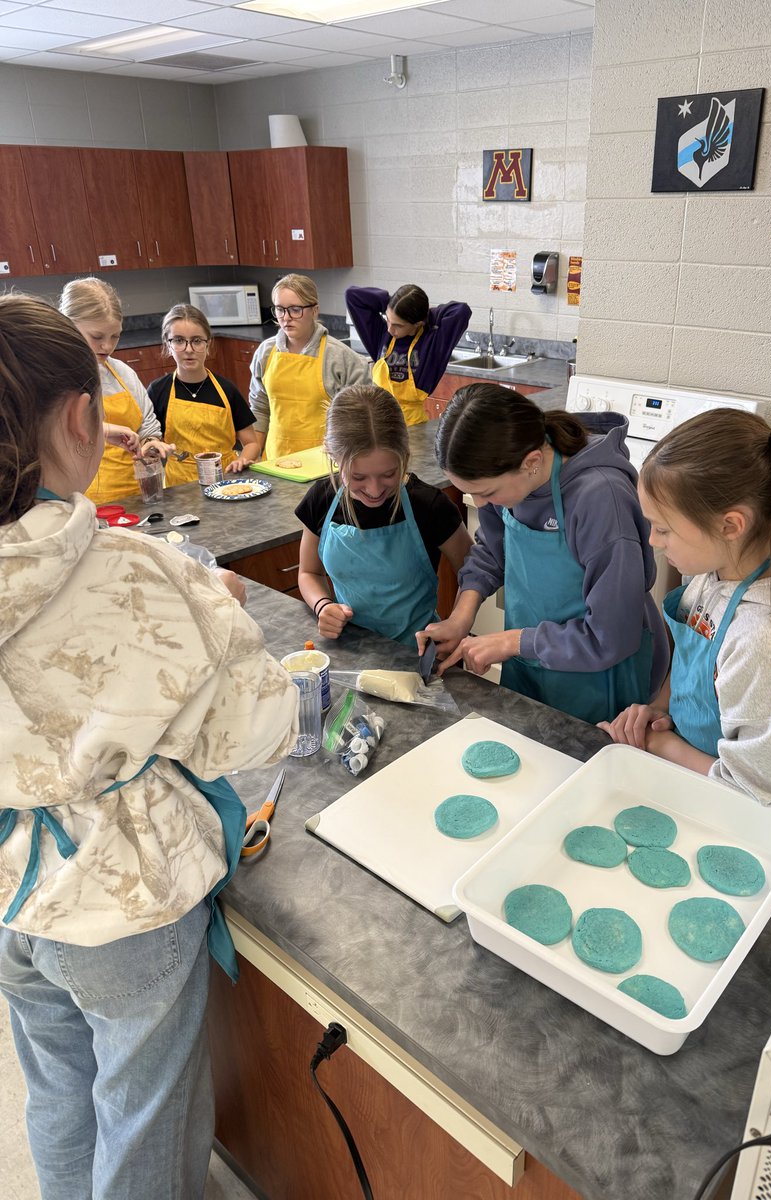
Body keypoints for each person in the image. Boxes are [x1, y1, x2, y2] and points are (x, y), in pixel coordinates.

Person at [0, 294, 299, 1200]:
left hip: (13, 888)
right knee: (146, 1117)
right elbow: (262, 730)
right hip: (119, 907)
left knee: (58, 1089)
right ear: (84, 416)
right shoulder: (142, 571)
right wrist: (216, 629)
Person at [599, 409, 771, 813]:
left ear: (731, 525)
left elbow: (767, 801)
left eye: (663, 529)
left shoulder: (765, 642)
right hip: (693, 781)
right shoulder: (716, 570)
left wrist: (661, 745)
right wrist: (660, 710)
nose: (652, 541)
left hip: (736, 818)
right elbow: (694, 658)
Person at [421, 384, 668, 724]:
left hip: (602, 675)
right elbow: (492, 550)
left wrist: (513, 642)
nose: (480, 504)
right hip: (531, 661)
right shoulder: (512, 481)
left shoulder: (600, 498)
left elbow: (610, 635)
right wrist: (460, 620)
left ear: (532, 462)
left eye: (487, 493)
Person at [296, 383, 472, 648]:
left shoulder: (429, 507)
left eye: (389, 474)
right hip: (350, 649)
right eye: (358, 477)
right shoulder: (322, 500)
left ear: (405, 454)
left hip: (416, 652)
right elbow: (308, 572)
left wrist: (456, 623)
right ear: (332, 455)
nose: (374, 490)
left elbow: (472, 575)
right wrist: (323, 605)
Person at [59, 277, 172, 502]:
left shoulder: (122, 373)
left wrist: (151, 443)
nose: (108, 346)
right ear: (68, 325)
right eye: (97, 336)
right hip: (81, 501)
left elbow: (147, 425)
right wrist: (105, 430)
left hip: (136, 496)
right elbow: (51, 432)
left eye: (115, 336)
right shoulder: (52, 376)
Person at [249, 273, 369, 459]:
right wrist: (250, 455)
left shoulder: (341, 358)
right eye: (280, 309)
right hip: (275, 461)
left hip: (326, 464)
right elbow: (260, 408)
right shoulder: (265, 353)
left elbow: (362, 417)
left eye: (295, 309)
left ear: (315, 310)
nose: (286, 318)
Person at [147, 303, 260, 486]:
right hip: (179, 488)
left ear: (208, 344)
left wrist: (242, 460)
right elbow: (150, 441)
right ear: (168, 345)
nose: (189, 349)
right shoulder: (158, 391)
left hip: (226, 482)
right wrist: (155, 447)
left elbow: (251, 443)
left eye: (197, 340)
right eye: (179, 340)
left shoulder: (227, 390)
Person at [345, 283, 472, 426]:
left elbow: (462, 311)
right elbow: (353, 295)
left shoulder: (433, 343)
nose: (390, 329)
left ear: (418, 323)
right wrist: (394, 303)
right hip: (377, 422)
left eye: (398, 325)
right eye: (388, 320)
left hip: (413, 427)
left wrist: (424, 316)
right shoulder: (381, 336)